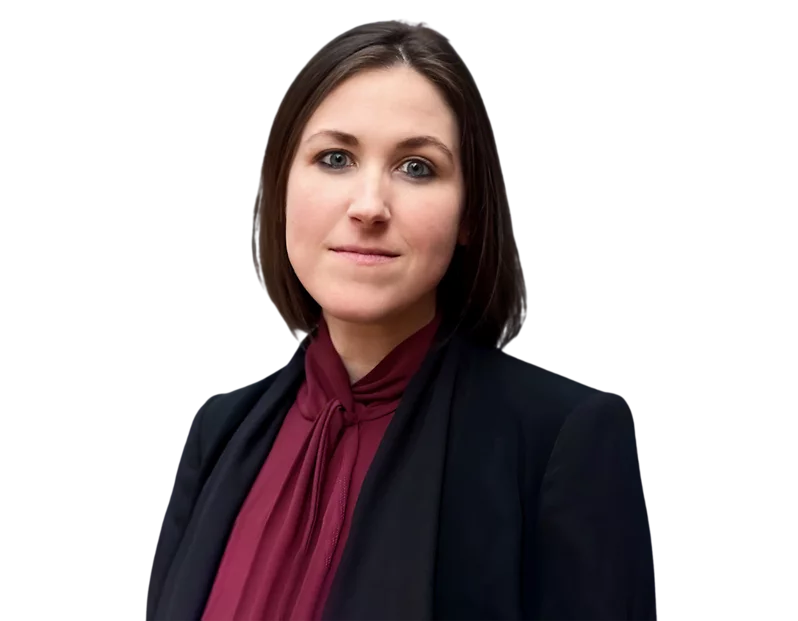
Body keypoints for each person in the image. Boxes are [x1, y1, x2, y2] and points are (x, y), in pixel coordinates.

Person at [144, 17, 656, 621]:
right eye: (335, 158)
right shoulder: (218, 431)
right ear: (281, 185)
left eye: (417, 167)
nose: (368, 207)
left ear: (469, 215)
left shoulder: (560, 441)